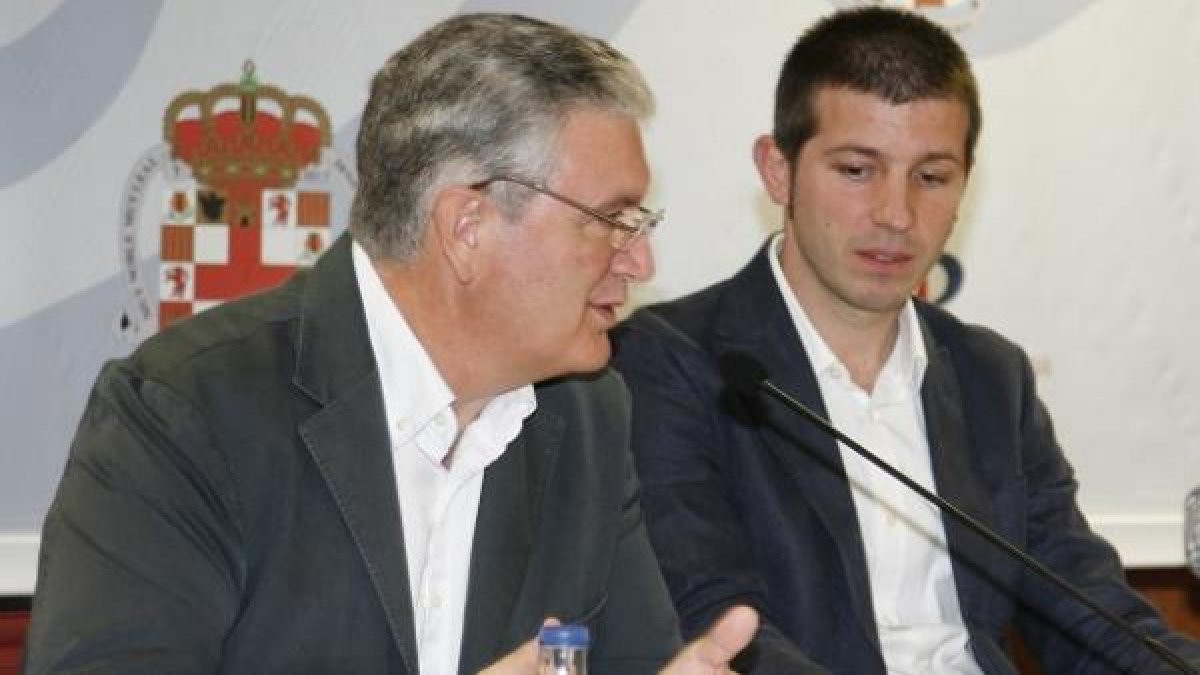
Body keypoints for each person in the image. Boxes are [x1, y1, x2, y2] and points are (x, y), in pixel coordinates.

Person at [23, 13, 757, 674]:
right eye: (610, 219)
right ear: (467, 227)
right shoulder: (186, 411)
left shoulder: (587, 417)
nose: (640, 262)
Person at [612, 7, 1200, 674]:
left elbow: (1090, 613)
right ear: (778, 170)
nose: (896, 214)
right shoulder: (675, 361)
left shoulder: (991, 376)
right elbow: (716, 620)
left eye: (931, 176)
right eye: (858, 170)